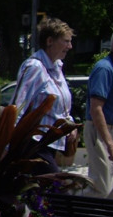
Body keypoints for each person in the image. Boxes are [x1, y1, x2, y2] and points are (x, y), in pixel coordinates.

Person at [12, 17, 77, 175]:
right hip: (34, 144)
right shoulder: (35, 67)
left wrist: (71, 125)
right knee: (56, 190)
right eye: (66, 41)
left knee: (43, 195)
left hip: (50, 144)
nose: (70, 46)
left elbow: (62, 106)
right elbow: (18, 106)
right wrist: (8, 147)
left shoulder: (57, 67)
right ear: (50, 41)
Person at [83, 27, 113, 199]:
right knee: (101, 187)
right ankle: (67, 207)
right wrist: (110, 144)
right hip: (102, 131)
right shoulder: (104, 69)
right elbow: (96, 109)